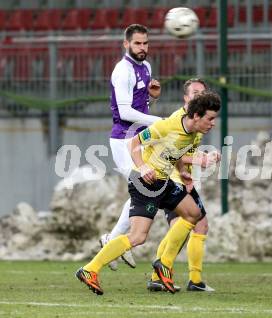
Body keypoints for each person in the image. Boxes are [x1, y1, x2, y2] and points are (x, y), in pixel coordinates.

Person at [76, 91, 221, 295]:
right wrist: (143, 167)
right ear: (197, 116)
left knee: (193, 213)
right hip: (144, 183)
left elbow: (176, 150)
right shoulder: (167, 126)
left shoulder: (194, 134)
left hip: (164, 182)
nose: (213, 123)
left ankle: (164, 264)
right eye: (210, 118)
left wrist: (182, 172)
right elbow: (133, 143)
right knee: (137, 236)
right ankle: (90, 270)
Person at [146, 78, 218, 293]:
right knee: (187, 224)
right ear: (185, 98)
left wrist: (190, 168)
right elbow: (170, 151)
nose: (199, 96)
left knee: (195, 224)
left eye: (202, 93)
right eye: (195, 93)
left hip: (179, 177)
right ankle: (166, 273)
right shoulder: (179, 120)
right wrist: (200, 160)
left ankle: (179, 278)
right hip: (168, 179)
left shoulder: (197, 122)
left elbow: (183, 154)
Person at [100, 23, 162, 271]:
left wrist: (153, 98)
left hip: (139, 137)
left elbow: (141, 107)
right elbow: (125, 111)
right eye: (137, 43)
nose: (142, 47)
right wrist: (160, 122)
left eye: (145, 43)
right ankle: (113, 242)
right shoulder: (122, 70)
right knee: (142, 189)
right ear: (126, 44)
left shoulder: (145, 67)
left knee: (144, 189)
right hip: (123, 139)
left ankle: (112, 241)